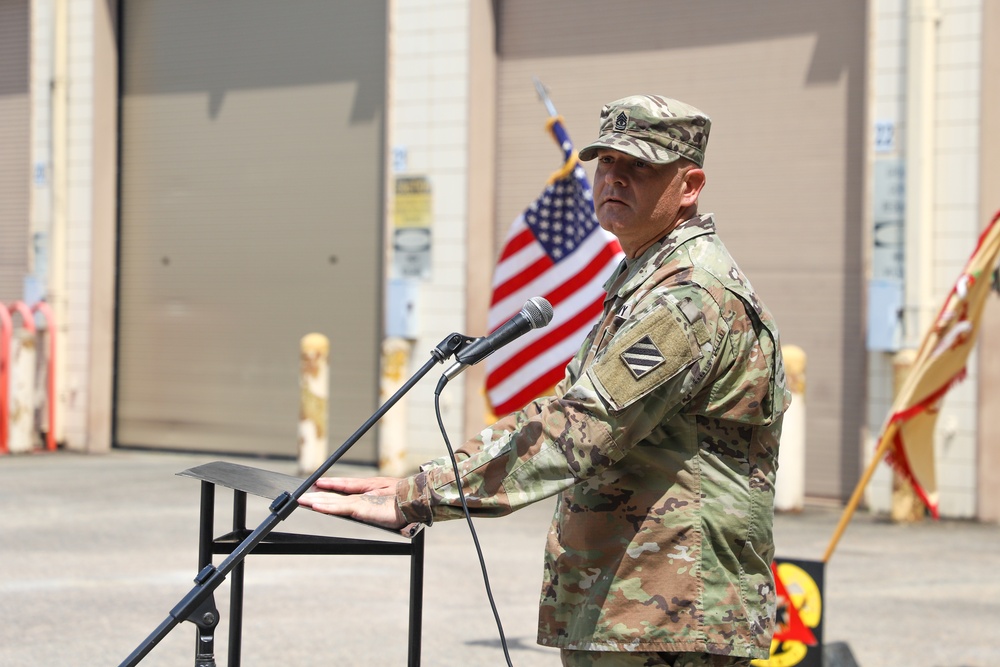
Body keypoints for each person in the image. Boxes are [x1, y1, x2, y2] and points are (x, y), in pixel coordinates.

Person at [300, 95, 790, 667]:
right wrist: (426, 481)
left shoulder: (687, 299)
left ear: (689, 185)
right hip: (636, 607)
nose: (615, 178)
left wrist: (421, 498)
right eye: (606, 162)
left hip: (671, 618)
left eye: (641, 166)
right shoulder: (645, 280)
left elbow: (580, 430)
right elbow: (562, 408)